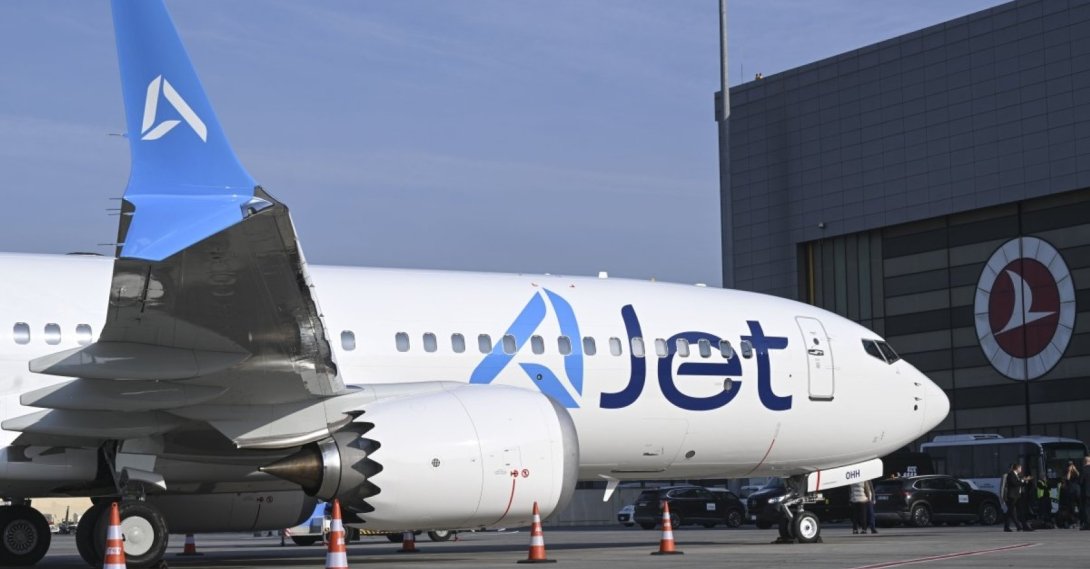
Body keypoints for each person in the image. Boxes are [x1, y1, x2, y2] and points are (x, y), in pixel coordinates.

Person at [1001, 463, 1032, 532]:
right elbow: (1014, 483)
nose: (1021, 469)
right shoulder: (1011, 474)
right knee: (1011, 512)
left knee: (1016, 511)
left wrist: (1025, 481)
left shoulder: (1017, 475)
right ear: (1017, 468)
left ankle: (1022, 526)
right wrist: (1023, 481)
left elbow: (1019, 482)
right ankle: (1017, 526)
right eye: (1020, 468)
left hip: (1017, 496)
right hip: (1012, 496)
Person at [1081, 455, 1090, 530]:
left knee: (1087, 509)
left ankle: (1088, 524)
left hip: (1087, 493)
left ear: (1084, 462)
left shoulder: (1083, 470)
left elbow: (1081, 481)